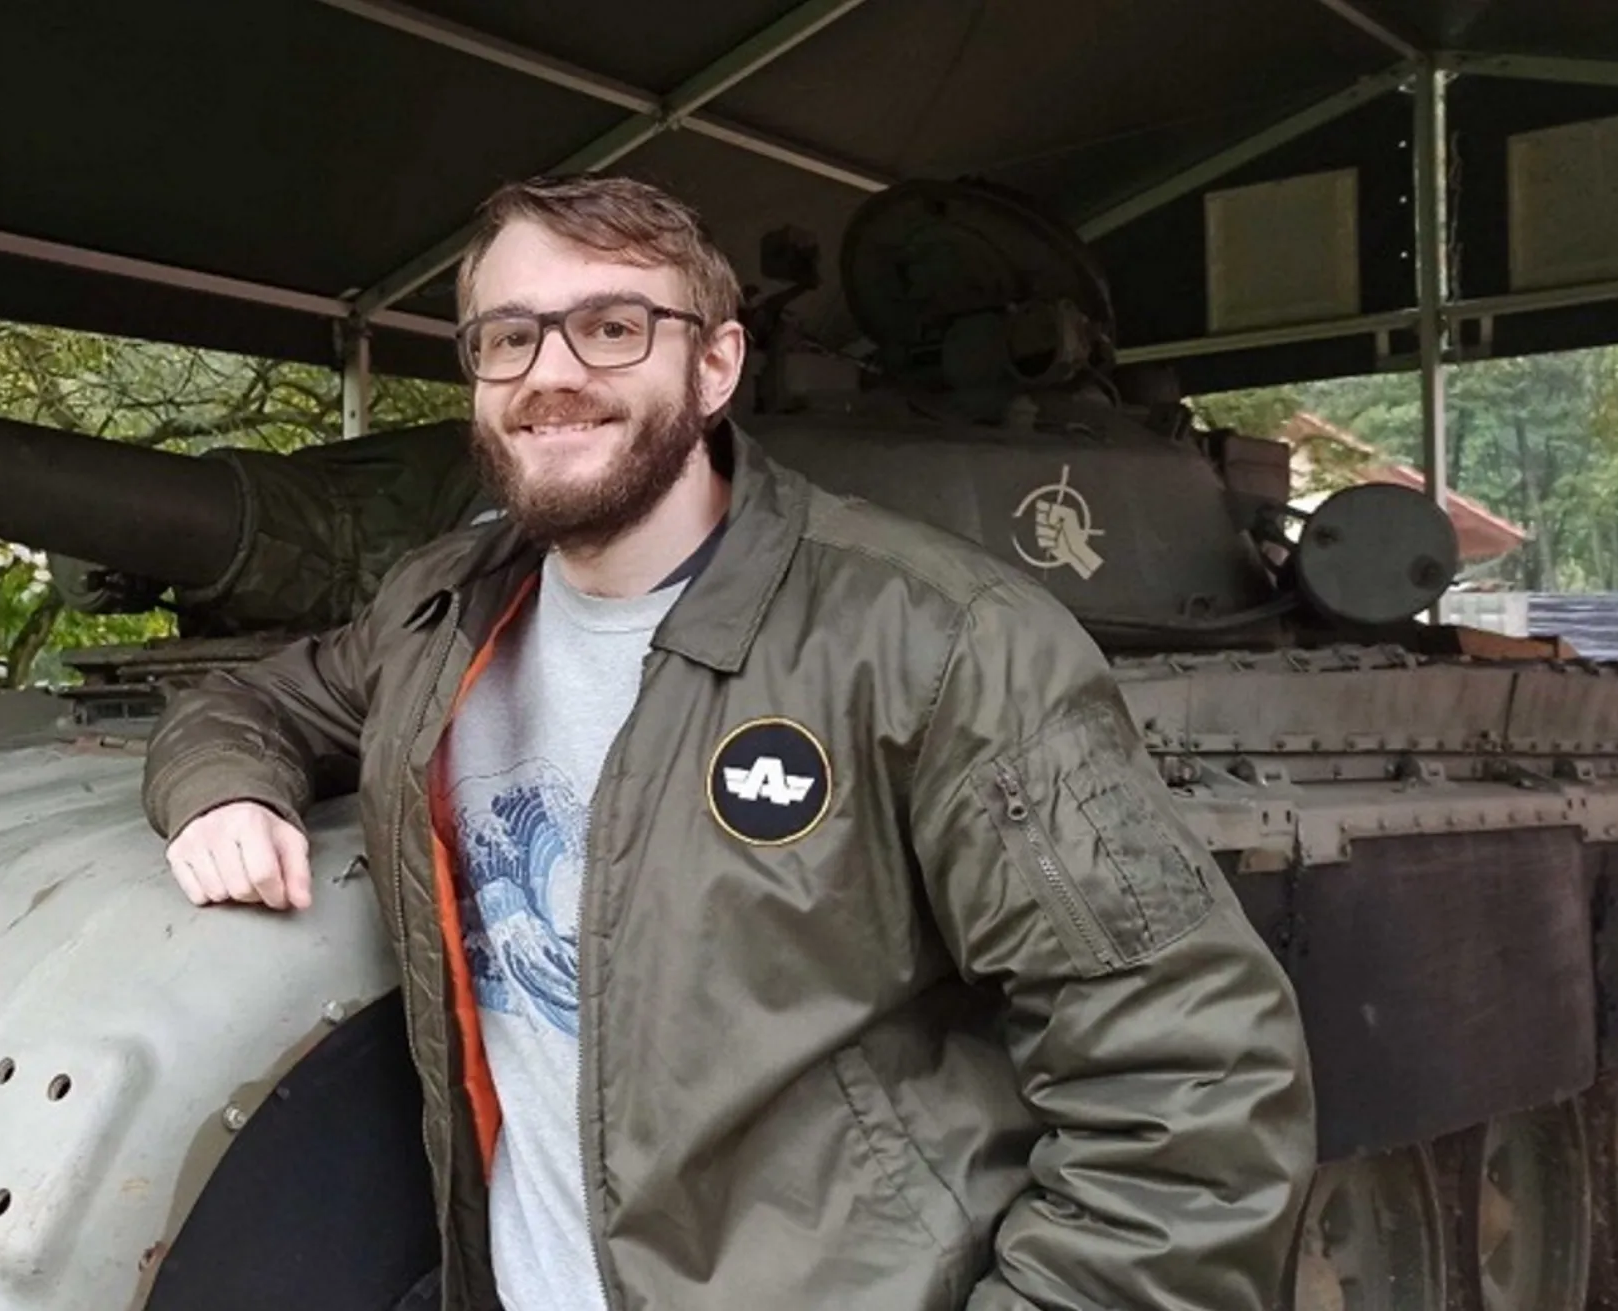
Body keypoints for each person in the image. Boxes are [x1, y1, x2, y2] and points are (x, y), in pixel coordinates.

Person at [140, 172, 1314, 1311]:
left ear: (715, 365)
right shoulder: (443, 611)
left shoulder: (934, 641)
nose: (551, 374)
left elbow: (1188, 1080)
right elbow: (256, 704)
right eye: (507, 338)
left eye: (609, 327)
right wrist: (225, 791)